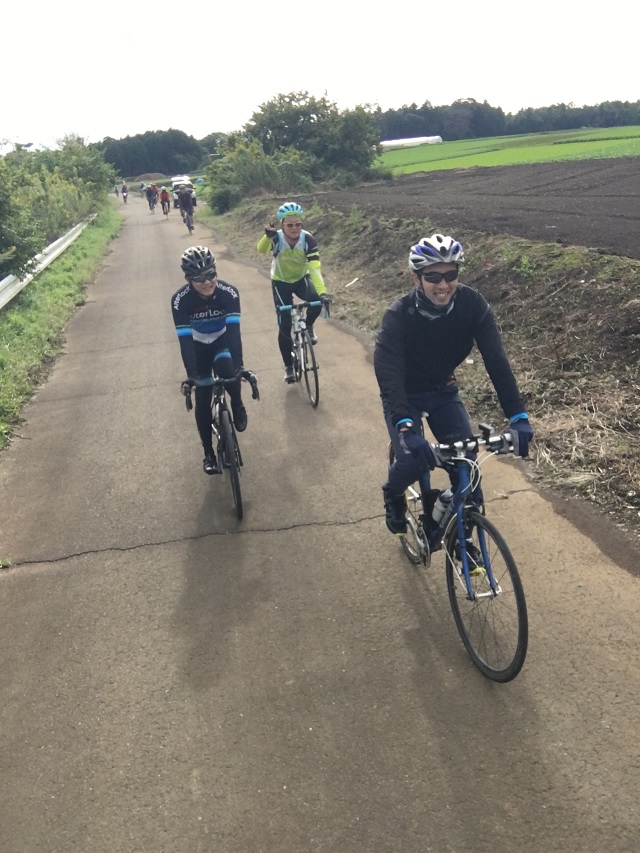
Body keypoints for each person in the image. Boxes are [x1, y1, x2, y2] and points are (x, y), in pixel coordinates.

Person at [374, 233, 534, 536]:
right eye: (433, 275)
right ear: (416, 278)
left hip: (443, 389)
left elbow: (496, 362)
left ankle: (465, 546)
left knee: (467, 470)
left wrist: (518, 415)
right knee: (414, 461)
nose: (443, 284)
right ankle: (392, 493)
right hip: (405, 394)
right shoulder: (398, 316)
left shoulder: (473, 306)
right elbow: (388, 372)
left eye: (450, 274)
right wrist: (405, 427)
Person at [171, 246, 248, 475]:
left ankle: (237, 403)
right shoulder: (180, 301)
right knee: (202, 397)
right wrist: (192, 376)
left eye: (211, 274)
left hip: (222, 340)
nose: (207, 282)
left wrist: (240, 366)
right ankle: (208, 453)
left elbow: (234, 334)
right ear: (188, 279)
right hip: (198, 346)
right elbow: (185, 342)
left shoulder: (228, 293)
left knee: (229, 370)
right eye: (199, 278)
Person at [256, 201, 329, 383]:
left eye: (298, 224)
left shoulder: (308, 240)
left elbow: (314, 268)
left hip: (301, 279)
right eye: (290, 225)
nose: (294, 228)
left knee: (316, 302)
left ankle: (309, 326)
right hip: (280, 282)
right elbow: (261, 250)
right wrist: (267, 237)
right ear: (282, 225)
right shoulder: (276, 237)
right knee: (284, 325)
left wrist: (322, 293)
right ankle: (288, 366)